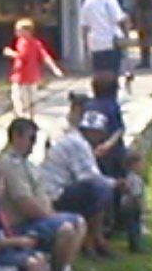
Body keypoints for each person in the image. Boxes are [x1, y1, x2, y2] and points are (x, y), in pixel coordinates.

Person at [0, 118, 85, 271]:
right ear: (16, 137)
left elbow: (42, 196)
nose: (33, 145)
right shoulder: (9, 165)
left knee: (78, 223)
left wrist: (50, 214)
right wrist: (51, 217)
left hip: (36, 220)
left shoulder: (26, 164)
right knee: (66, 229)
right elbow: (25, 204)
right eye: (31, 139)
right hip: (19, 226)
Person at [42, 105, 121, 257]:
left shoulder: (78, 142)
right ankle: (91, 241)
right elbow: (87, 177)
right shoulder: (78, 144)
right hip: (55, 195)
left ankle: (97, 238)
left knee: (100, 189)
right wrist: (116, 183)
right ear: (92, 132)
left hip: (60, 189)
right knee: (100, 190)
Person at [3, 18, 64, 119]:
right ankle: (22, 116)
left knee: (29, 99)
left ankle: (29, 117)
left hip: (29, 76)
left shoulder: (34, 44)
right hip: (20, 76)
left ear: (28, 31)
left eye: (19, 30)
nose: (16, 32)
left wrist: (10, 53)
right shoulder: (21, 42)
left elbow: (27, 56)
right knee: (18, 97)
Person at [79, 0, 129, 75]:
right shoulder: (110, 1)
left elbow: (84, 25)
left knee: (99, 71)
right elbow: (118, 19)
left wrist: (85, 43)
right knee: (113, 70)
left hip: (95, 43)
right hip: (111, 41)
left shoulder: (87, 2)